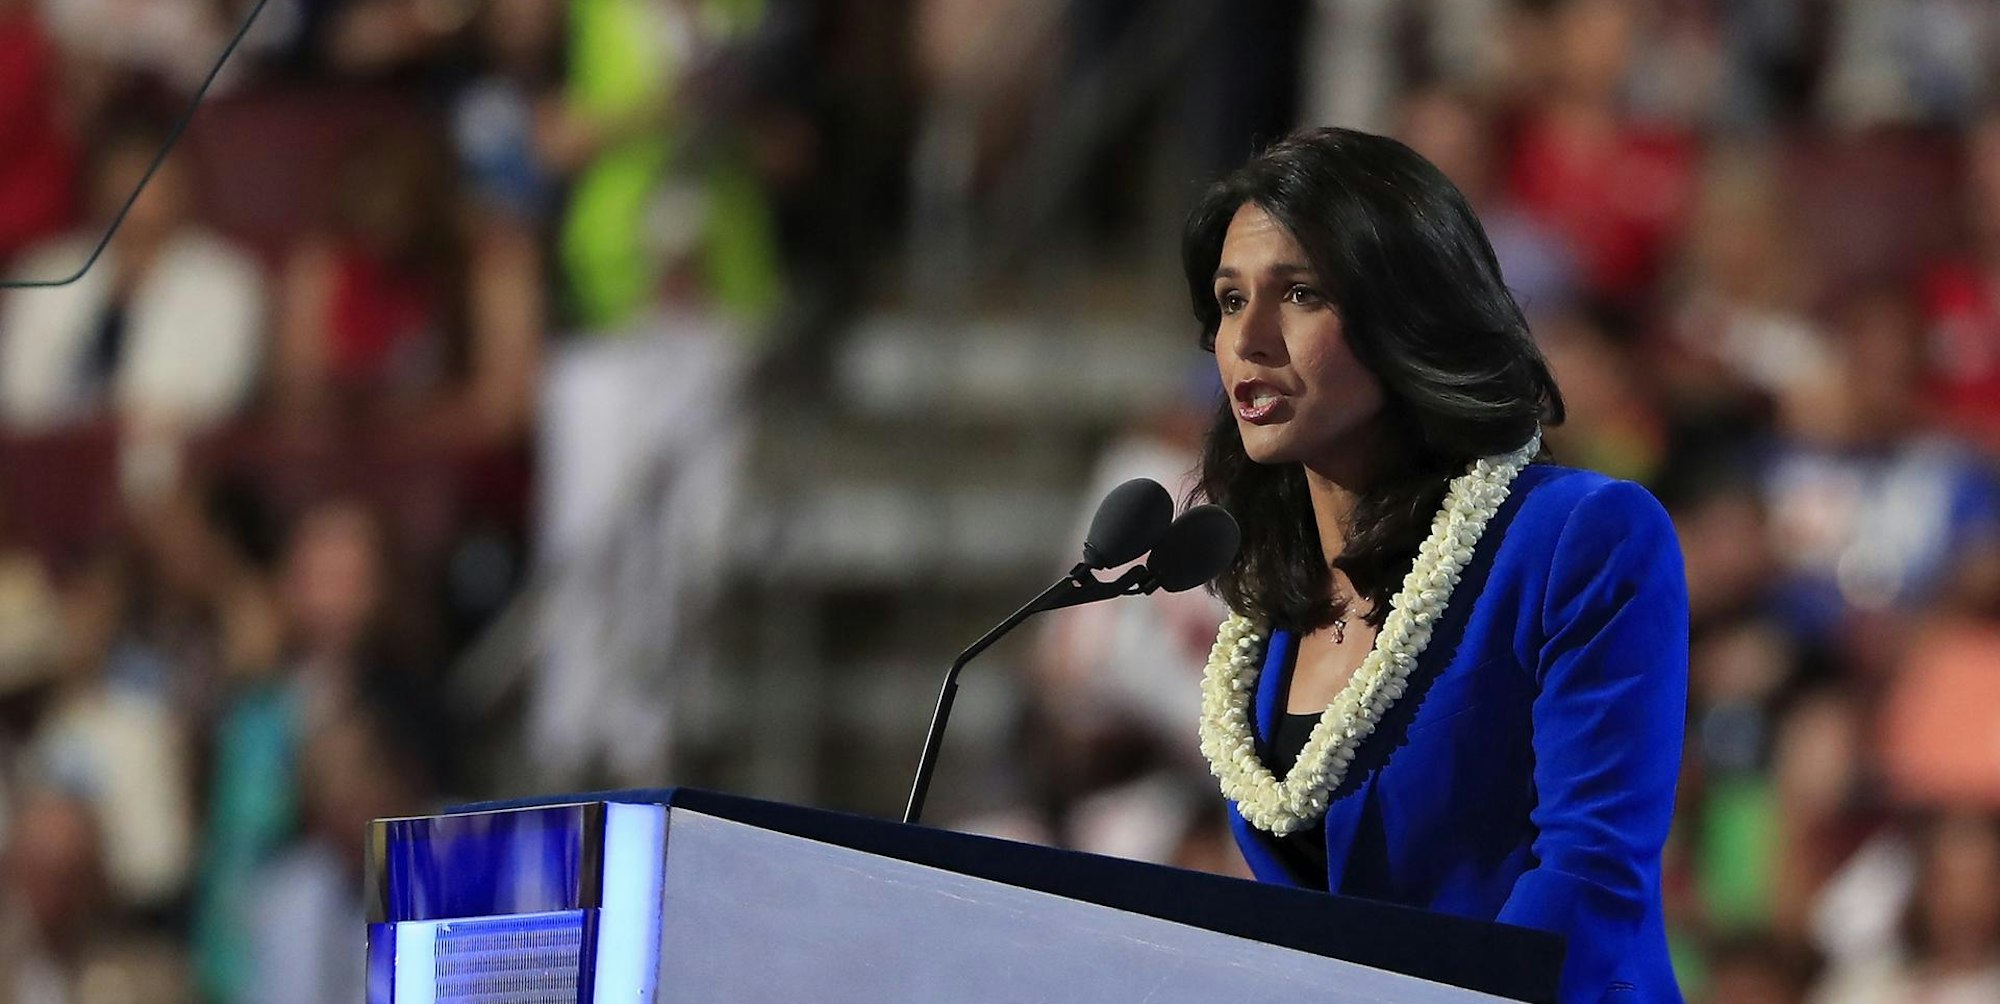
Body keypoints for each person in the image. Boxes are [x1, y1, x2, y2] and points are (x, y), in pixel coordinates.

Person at [1184, 128, 1687, 1003]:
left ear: (1404, 312)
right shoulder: (1271, 603)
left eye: (1300, 293)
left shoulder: (1580, 538)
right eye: (1230, 301)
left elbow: (1590, 881)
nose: (1250, 339)